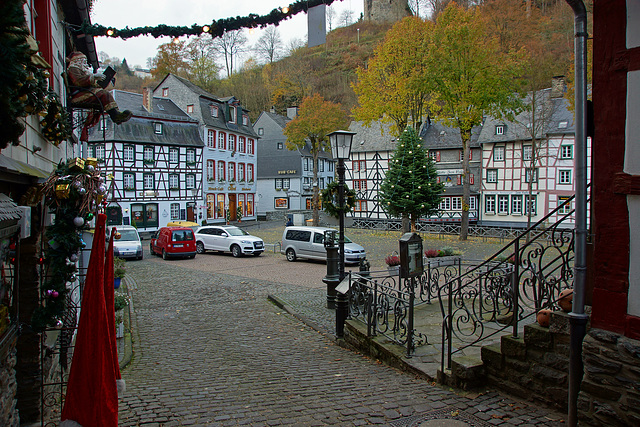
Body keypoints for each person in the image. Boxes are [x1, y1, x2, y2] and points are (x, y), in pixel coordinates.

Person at [66, 52, 131, 139]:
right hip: (78, 95)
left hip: (85, 92)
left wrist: (104, 80)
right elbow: (78, 81)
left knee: (103, 92)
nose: (85, 64)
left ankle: (115, 114)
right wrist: (93, 77)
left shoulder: (81, 70)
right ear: (78, 61)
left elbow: (90, 84)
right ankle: (115, 115)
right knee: (104, 94)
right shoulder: (73, 69)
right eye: (84, 61)